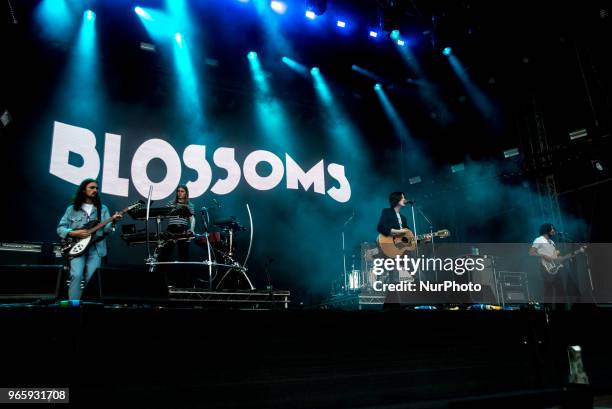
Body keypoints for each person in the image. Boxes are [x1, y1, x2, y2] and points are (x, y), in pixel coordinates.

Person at [57, 179, 122, 300]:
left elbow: (107, 230)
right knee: (76, 275)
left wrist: (114, 221)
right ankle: (74, 305)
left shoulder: (102, 209)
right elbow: (60, 229)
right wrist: (74, 232)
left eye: (96, 188)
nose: (95, 190)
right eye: (91, 187)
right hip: (77, 247)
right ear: (83, 190)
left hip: (96, 248)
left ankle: (88, 306)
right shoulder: (72, 209)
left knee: (92, 278)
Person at [529, 223, 565, 308]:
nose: (554, 230)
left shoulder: (552, 242)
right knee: (549, 291)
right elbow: (531, 253)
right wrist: (543, 255)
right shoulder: (539, 240)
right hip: (545, 268)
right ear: (546, 230)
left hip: (555, 268)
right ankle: (547, 311)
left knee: (560, 291)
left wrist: (558, 257)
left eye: (554, 228)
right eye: (551, 229)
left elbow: (553, 256)